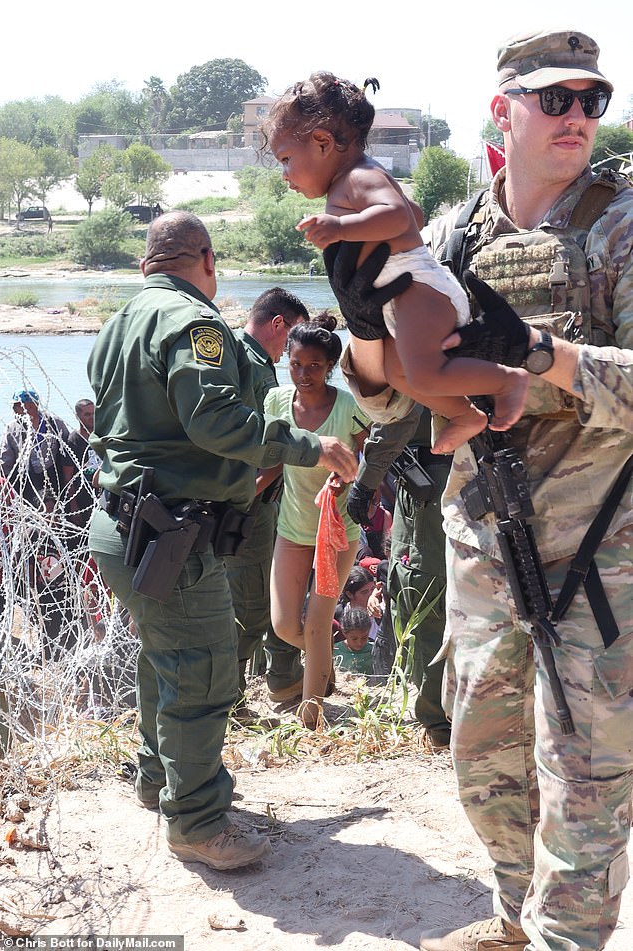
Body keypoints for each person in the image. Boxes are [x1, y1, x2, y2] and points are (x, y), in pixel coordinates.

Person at [330, 29, 633, 951]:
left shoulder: (621, 227)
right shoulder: (450, 237)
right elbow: (385, 404)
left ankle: (563, 941)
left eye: (592, 99)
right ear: (503, 111)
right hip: (483, 541)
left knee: (586, 776)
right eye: (555, 98)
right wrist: (361, 327)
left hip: (601, 548)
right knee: (485, 759)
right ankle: (511, 918)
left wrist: (542, 356)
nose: (577, 115)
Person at [87, 211, 358, 872]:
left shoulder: (119, 323)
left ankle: (160, 782)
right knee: (204, 669)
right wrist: (308, 444)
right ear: (205, 259)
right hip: (170, 533)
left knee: (164, 659)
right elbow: (214, 420)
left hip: (124, 526)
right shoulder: (194, 322)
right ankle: (200, 821)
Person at [260, 71, 529, 451]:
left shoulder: (358, 177)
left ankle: (507, 381)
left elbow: (400, 218)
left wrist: (341, 226)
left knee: (423, 372)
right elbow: (415, 214)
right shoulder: (356, 180)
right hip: (401, 296)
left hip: (417, 288)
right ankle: (465, 414)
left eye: (286, 160)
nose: (285, 176)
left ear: (322, 142)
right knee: (399, 373)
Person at [264, 314, 370, 729]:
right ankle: (321, 668)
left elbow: (366, 459)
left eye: (313, 366)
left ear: (329, 366)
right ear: (286, 361)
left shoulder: (347, 407)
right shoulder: (275, 403)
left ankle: (312, 718)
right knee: (286, 624)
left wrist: (347, 479)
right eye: (295, 364)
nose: (303, 374)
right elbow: (270, 456)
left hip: (337, 534)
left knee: (319, 621)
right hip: (292, 528)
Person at [224, 287, 309, 714]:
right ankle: (233, 699)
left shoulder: (233, 351)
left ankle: (273, 680)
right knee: (251, 602)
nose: (291, 351)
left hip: (244, 502)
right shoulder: (255, 366)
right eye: (291, 336)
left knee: (255, 595)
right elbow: (261, 449)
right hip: (250, 506)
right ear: (278, 324)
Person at [347, 406, 452, 751]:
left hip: (433, 478)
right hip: (433, 474)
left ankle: (440, 725)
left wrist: (366, 479)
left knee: (424, 596)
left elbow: (399, 414)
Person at [0, 389, 75, 513]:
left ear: (30, 405)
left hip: (54, 476)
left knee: (56, 511)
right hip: (27, 480)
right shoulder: (12, 428)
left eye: (16, 405)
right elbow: (6, 461)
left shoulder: (54, 423)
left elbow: (68, 449)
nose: (13, 409)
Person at [66, 398, 101, 530]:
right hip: (83, 498)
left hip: (103, 494)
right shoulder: (73, 440)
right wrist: (74, 506)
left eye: (94, 413)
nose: (91, 417)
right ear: (78, 416)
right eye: (87, 414)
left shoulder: (101, 436)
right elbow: (68, 476)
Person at [333, 607, 374, 675]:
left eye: (364, 638)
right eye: (354, 639)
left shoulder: (374, 651)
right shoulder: (335, 651)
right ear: (344, 632)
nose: (359, 643)